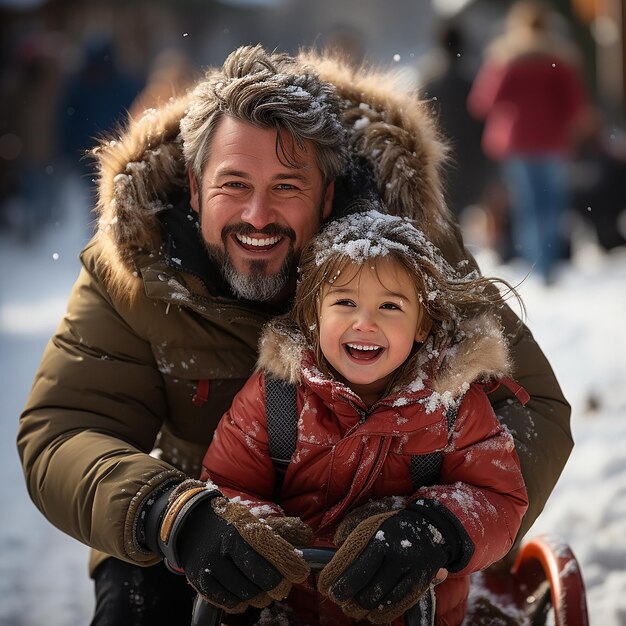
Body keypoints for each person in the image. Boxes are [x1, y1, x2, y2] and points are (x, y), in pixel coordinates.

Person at [17, 44, 572, 625]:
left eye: (287, 186)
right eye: (233, 183)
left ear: (327, 194)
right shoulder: (137, 266)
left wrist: (441, 530)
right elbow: (63, 430)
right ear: (194, 183)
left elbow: (535, 411)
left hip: (384, 534)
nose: (258, 216)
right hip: (192, 531)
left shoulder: (406, 255)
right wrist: (170, 512)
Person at [200, 207, 529, 625]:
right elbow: (224, 484)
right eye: (345, 302)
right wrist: (255, 528)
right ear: (314, 317)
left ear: (422, 325)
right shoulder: (275, 398)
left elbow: (500, 498)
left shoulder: (452, 405)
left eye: (390, 306)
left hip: (412, 614)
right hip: (291, 613)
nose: (365, 322)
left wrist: (435, 529)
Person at [467, 0, 592, 284]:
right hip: (554, 143)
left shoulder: (506, 58)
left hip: (518, 143)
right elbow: (576, 108)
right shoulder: (561, 60)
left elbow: (482, 102)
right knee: (553, 204)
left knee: (528, 205)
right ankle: (550, 264)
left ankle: (537, 264)